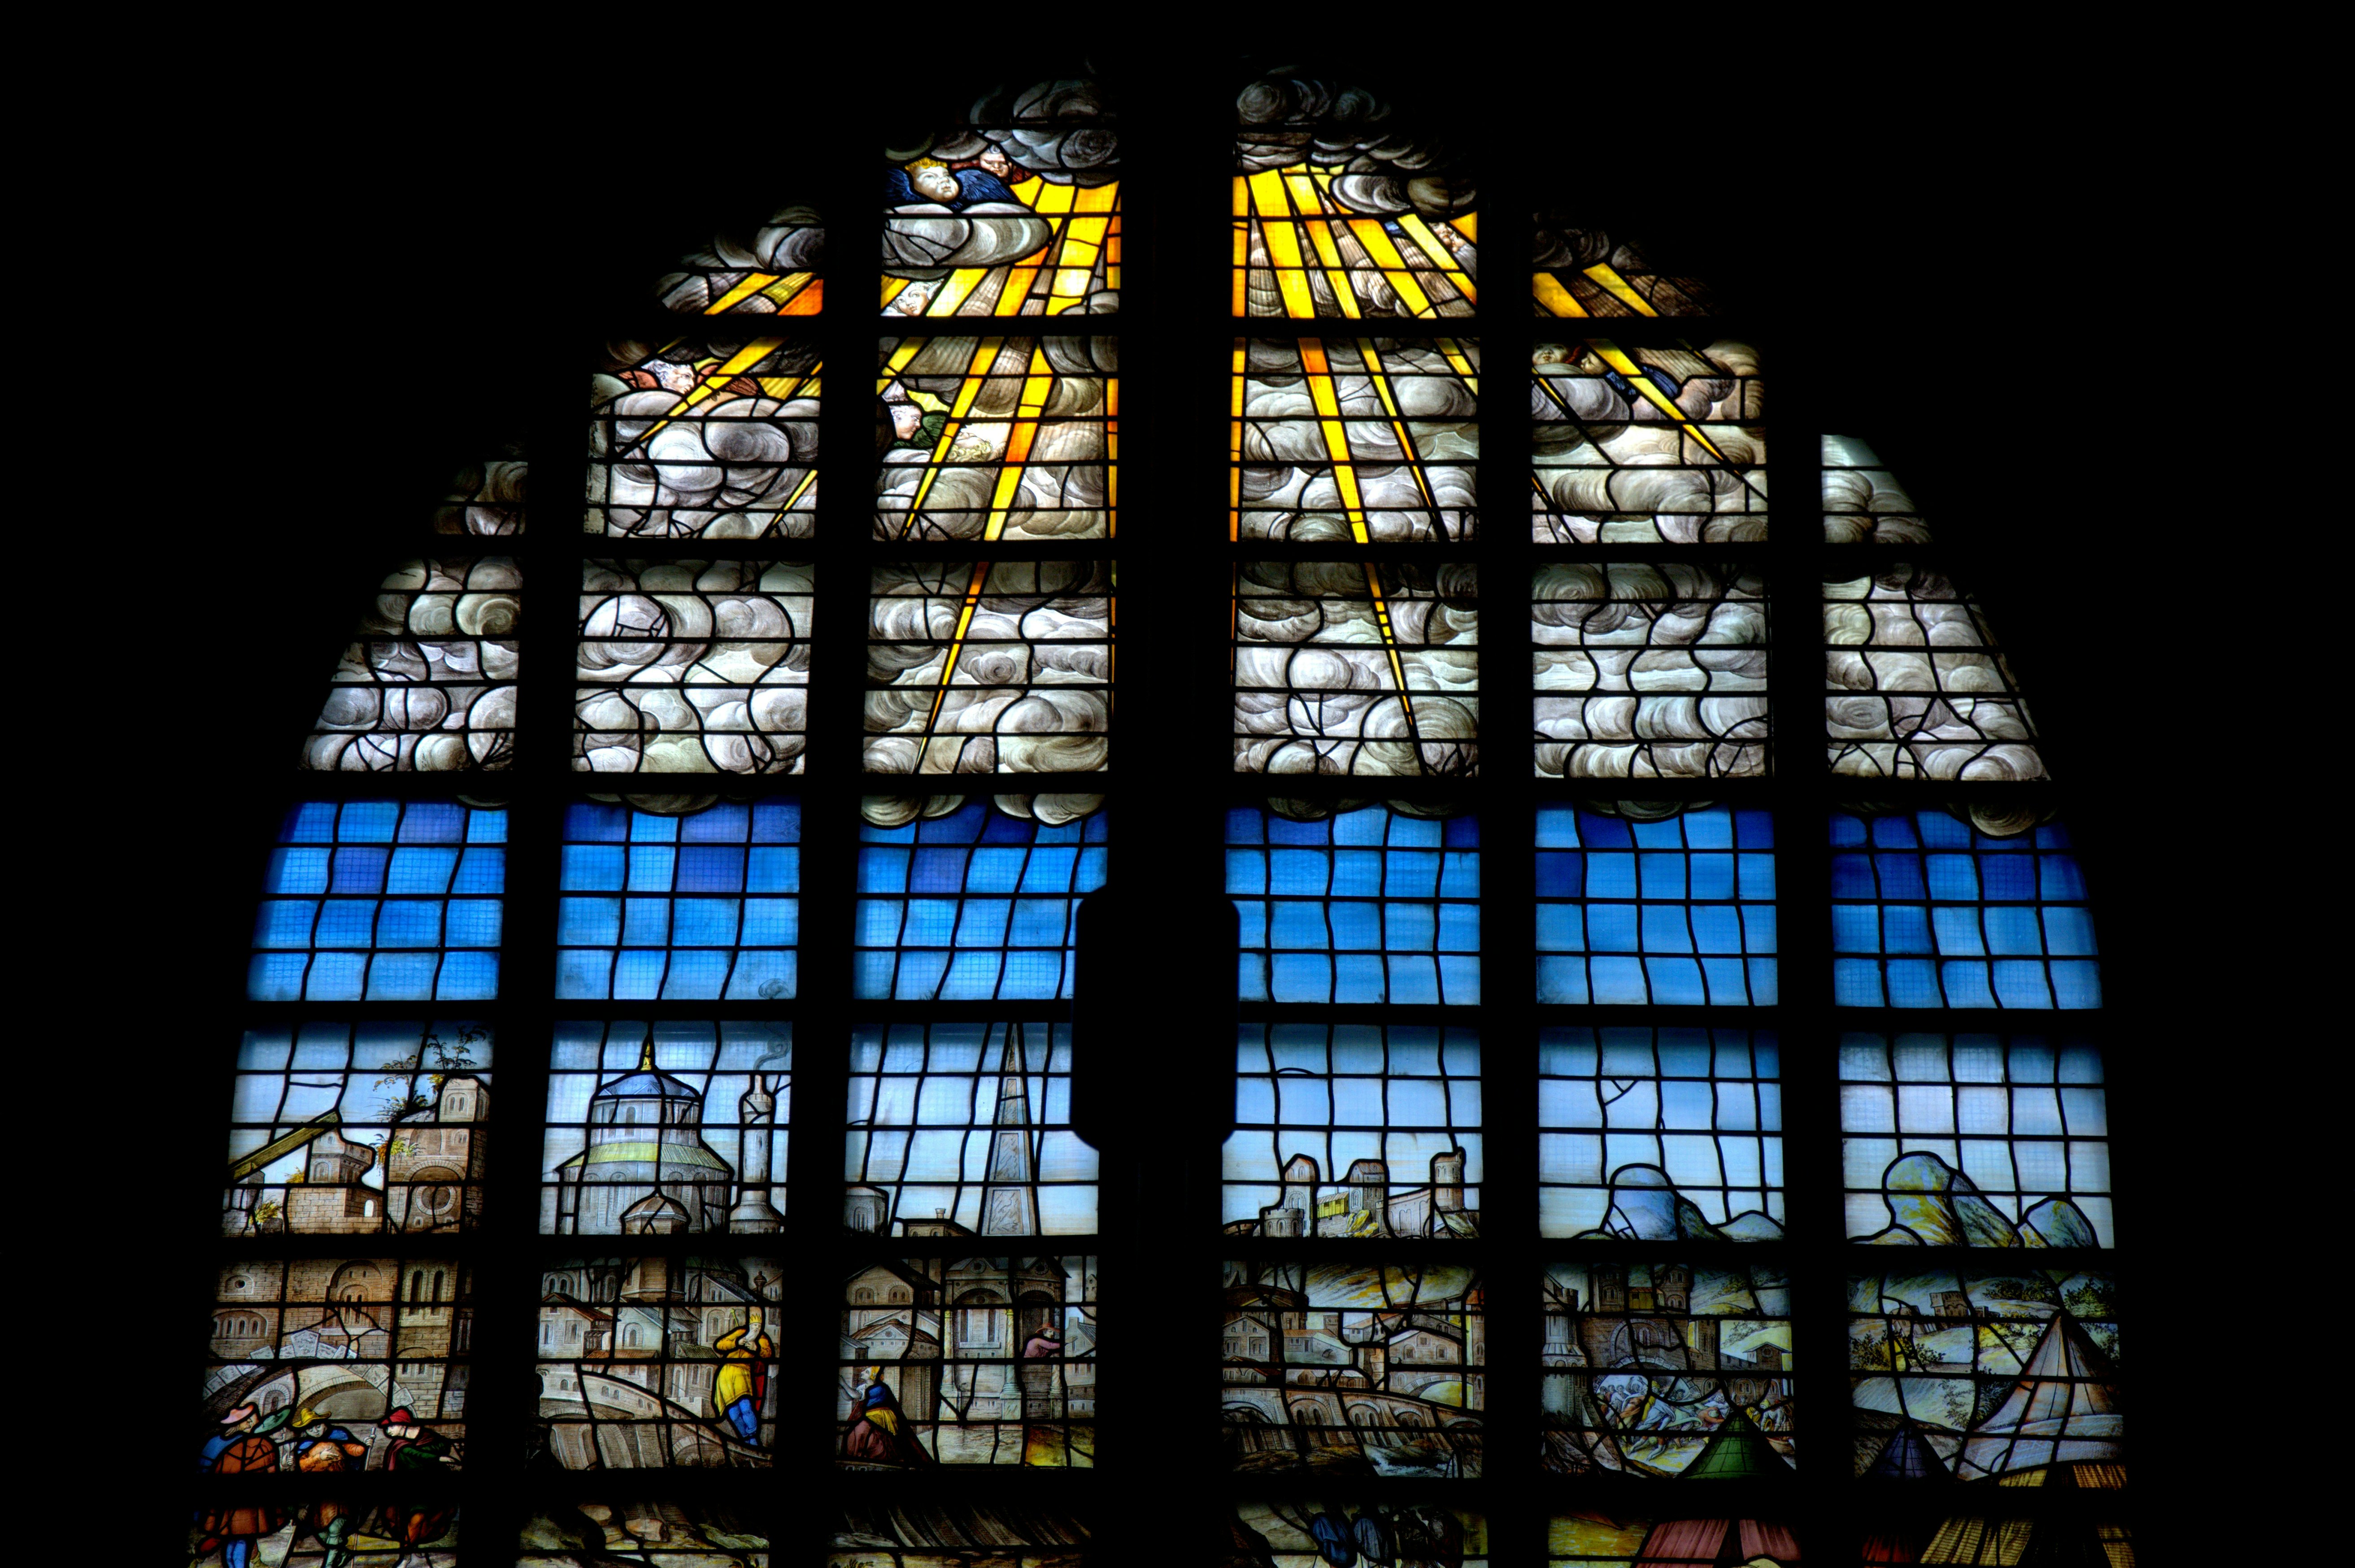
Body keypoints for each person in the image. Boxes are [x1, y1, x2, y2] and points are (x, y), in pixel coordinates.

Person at [195, 1405, 291, 1568]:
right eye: (247, 1420)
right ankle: (200, 1556)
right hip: (235, 1502)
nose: (250, 1422)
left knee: (235, 1538)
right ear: (238, 1423)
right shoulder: (249, 1444)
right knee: (238, 1538)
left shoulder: (231, 1442)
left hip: (224, 1502)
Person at [376, 1407, 458, 1558]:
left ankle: (410, 1548)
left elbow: (444, 1445)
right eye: (387, 1428)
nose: (388, 1431)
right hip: (414, 1492)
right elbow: (413, 1454)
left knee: (442, 1513)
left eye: (392, 1426)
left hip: (438, 1487)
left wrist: (447, 1459)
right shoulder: (399, 1448)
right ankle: (406, 1557)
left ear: (404, 1424)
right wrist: (439, 1458)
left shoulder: (429, 1437)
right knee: (418, 1518)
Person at [843, 1368, 931, 1464]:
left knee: (865, 1428)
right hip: (869, 1414)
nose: (862, 1372)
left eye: (866, 1372)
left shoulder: (880, 1388)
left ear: (873, 1377)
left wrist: (843, 1383)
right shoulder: (864, 1387)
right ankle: (857, 1455)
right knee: (852, 1432)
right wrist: (841, 1388)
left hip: (880, 1414)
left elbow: (857, 1395)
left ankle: (861, 1456)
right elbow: (849, 1397)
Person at [711, 1313, 775, 1443]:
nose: (757, 1328)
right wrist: (737, 1342)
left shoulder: (762, 1339)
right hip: (726, 1374)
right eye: (755, 1325)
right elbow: (720, 1345)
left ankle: (753, 1437)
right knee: (734, 1414)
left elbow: (768, 1353)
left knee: (746, 1408)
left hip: (743, 1374)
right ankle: (746, 1439)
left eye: (759, 1326)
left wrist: (756, 1349)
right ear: (750, 1326)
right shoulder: (740, 1332)